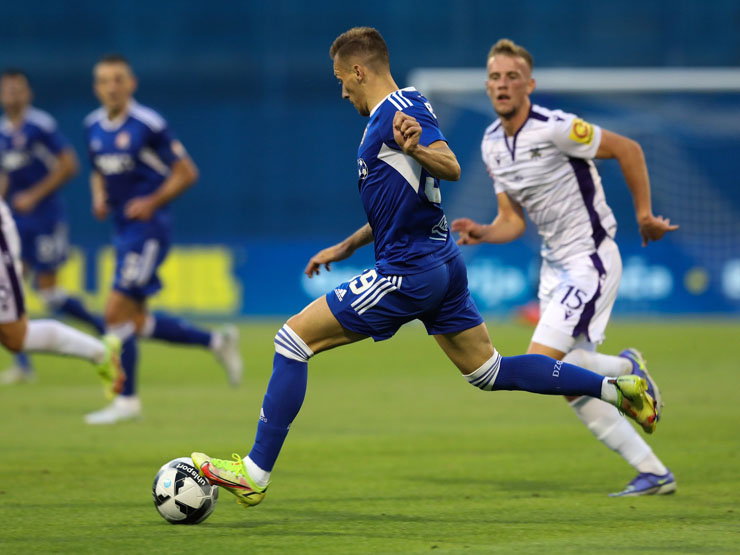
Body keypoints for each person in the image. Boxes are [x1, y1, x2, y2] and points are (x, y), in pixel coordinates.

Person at [190, 27, 659, 509]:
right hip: (442, 266)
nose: (341, 90)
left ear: (358, 70)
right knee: (489, 371)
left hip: (408, 271)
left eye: (341, 79)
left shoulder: (397, 114)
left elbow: (449, 166)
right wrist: (347, 244)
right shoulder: (406, 104)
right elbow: (399, 204)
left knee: (291, 340)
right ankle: (615, 388)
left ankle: (254, 472)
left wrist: (417, 150)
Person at [451, 39, 679, 497]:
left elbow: (628, 149)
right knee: (569, 384)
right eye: (495, 77)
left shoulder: (556, 128)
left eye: (512, 77)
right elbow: (512, 221)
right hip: (555, 269)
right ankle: (653, 471)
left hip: (589, 260)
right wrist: (483, 231)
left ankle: (625, 367)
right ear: (487, 85)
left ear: (529, 85)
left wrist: (644, 215)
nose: (502, 85)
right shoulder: (492, 143)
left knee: (539, 365)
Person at [83, 54, 243, 425]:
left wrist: (152, 200)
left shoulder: (148, 124)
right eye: (104, 80)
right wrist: (97, 196)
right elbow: (96, 171)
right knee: (134, 322)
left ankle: (127, 401)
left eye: (118, 79)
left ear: (131, 83)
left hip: (149, 230)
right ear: (96, 87)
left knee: (113, 312)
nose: (111, 86)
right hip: (123, 230)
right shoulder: (92, 126)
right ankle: (216, 342)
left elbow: (187, 172)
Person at [0, 69, 104, 384]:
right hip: (15, 223)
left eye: (18, 90)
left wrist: (34, 194)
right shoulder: (2, 132)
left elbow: (69, 164)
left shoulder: (40, 126)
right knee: (12, 294)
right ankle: (23, 364)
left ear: (28, 94)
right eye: (7, 90)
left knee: (49, 293)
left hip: (45, 218)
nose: (12, 95)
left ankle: (102, 331)